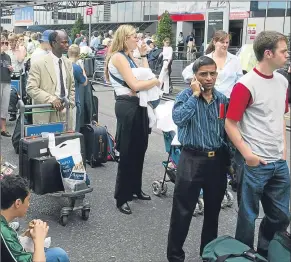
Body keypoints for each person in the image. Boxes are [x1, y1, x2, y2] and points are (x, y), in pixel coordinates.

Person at [225, 31, 290, 258]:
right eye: (283, 51)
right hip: (254, 162)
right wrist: (248, 155)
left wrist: (284, 150)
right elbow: (230, 124)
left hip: (278, 162)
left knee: (281, 216)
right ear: (268, 53)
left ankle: (266, 251)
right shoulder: (245, 85)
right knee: (248, 217)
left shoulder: (282, 81)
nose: (287, 54)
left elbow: (280, 116)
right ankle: (243, 255)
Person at [167, 56, 231, 261]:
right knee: (182, 212)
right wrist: (195, 95)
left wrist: (231, 163)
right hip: (191, 160)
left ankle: (208, 254)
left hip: (216, 161)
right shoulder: (185, 96)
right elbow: (178, 119)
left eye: (212, 73)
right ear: (195, 76)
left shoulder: (222, 99)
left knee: (213, 213)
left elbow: (227, 132)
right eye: (203, 74)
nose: (209, 78)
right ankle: (175, 256)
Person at [105, 25, 160, 215]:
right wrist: (154, 83)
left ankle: (135, 189)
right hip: (128, 105)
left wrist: (144, 56)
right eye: (133, 37)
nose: (137, 40)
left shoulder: (129, 57)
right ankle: (122, 196)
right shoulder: (119, 57)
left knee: (140, 148)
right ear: (124, 38)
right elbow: (136, 85)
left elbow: (146, 75)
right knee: (128, 151)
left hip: (138, 105)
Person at [1, 175, 70, 262]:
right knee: (59, 256)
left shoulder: (4, 225)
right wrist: (39, 240)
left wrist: (26, 235)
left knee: (58, 254)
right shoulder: (5, 234)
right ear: (18, 203)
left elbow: (10, 246)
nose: (29, 204)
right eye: (28, 200)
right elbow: (9, 242)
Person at [26, 30, 75, 127]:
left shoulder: (68, 63)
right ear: (53, 43)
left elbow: (71, 86)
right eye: (63, 42)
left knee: (66, 141)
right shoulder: (39, 63)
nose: (67, 45)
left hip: (66, 113)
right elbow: (31, 88)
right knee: (48, 141)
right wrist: (51, 99)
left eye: (67, 42)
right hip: (46, 111)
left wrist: (70, 103)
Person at [183, 30, 243, 99]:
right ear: (214, 42)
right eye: (222, 42)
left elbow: (240, 80)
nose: (225, 45)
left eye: (227, 42)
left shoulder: (235, 60)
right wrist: (197, 81)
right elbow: (186, 72)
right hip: (209, 99)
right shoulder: (205, 59)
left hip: (229, 100)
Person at [6, 33, 27, 121]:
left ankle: (22, 113)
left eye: (12, 41)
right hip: (10, 75)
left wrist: (17, 49)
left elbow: (20, 60)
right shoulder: (7, 50)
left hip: (20, 75)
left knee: (21, 94)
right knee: (11, 94)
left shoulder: (22, 49)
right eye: (9, 41)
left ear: (16, 40)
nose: (11, 43)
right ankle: (12, 112)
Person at [68, 44, 88, 132]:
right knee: (74, 127)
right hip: (74, 99)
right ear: (78, 55)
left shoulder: (63, 64)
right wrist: (83, 68)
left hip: (64, 98)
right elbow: (84, 82)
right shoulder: (76, 68)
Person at [0, 37, 14, 137]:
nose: (4, 44)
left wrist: (11, 69)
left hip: (7, 81)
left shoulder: (8, 56)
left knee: (5, 106)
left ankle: (3, 129)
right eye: (2, 42)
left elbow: (10, 69)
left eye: (6, 42)